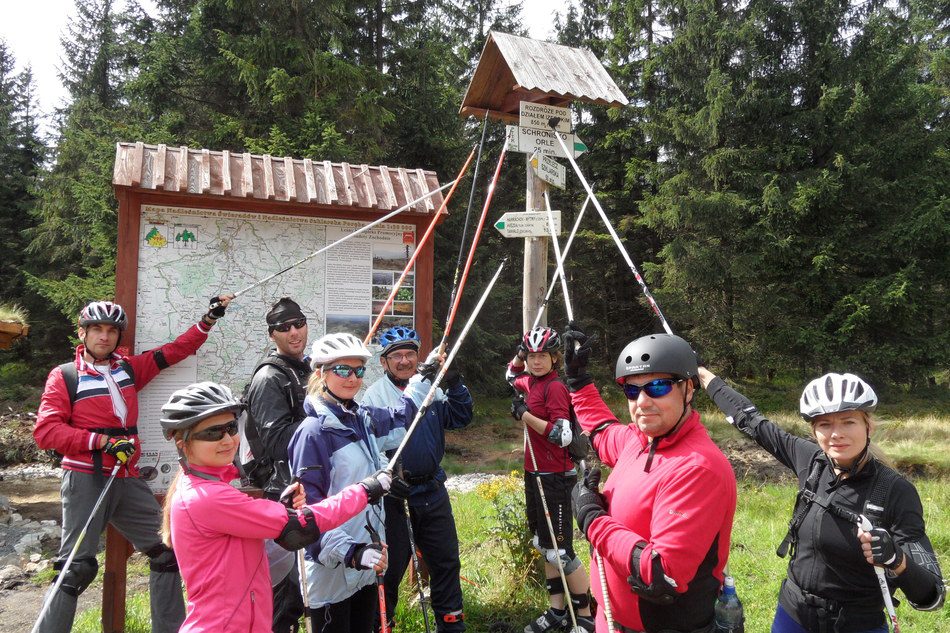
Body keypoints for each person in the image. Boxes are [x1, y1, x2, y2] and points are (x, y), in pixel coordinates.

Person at [31, 296, 232, 633]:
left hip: (126, 477)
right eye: (96, 329)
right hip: (86, 478)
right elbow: (46, 432)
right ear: (82, 332)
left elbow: (174, 351)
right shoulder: (65, 376)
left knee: (166, 551)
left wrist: (208, 320)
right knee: (75, 569)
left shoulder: (126, 369)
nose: (104, 336)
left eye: (111, 330)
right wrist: (101, 442)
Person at [700, 369, 945, 632]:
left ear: (868, 426)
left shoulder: (895, 490)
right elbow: (752, 421)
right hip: (793, 615)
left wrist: (896, 559)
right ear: (814, 431)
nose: (836, 433)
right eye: (825, 424)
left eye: (848, 422)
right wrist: (702, 375)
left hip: (857, 624)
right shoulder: (811, 461)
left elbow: (932, 595)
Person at [159, 381, 393, 632]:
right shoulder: (207, 497)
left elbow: (255, 555)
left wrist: (281, 510)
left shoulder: (204, 487)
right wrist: (364, 491)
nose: (227, 439)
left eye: (231, 427)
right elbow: (301, 525)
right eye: (212, 433)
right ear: (182, 443)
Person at [563, 326, 737, 633]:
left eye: (657, 387)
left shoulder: (698, 468)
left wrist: (592, 519)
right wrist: (578, 380)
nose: (642, 401)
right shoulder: (638, 440)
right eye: (632, 391)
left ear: (688, 389)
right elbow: (601, 429)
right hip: (612, 619)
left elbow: (662, 573)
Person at [288, 332, 431, 633]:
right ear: (321, 373)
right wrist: (352, 553)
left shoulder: (360, 418)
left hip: (367, 566)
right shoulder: (313, 433)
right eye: (343, 370)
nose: (353, 378)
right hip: (333, 574)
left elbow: (404, 415)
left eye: (359, 370)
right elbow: (307, 517)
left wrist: (423, 377)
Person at [362, 326, 474, 632]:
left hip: (433, 490)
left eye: (410, 354)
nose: (404, 361)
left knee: (446, 561)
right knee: (390, 568)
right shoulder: (374, 395)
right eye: (396, 356)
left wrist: (453, 381)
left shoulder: (431, 387)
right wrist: (384, 474)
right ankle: (382, 624)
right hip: (396, 497)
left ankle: (450, 625)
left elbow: (461, 417)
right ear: (383, 362)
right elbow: (370, 447)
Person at [507, 326, 595, 633]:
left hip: (556, 476)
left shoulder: (555, 387)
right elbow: (510, 375)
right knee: (544, 546)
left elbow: (562, 435)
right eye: (531, 356)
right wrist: (520, 354)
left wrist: (524, 415)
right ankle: (558, 611)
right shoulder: (528, 380)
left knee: (561, 551)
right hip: (534, 472)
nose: (536, 361)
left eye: (542, 356)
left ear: (554, 358)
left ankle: (586, 616)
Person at [244, 297, 313, 632]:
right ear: (272, 334)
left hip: (306, 490)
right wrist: (321, 421)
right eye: (284, 328)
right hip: (281, 495)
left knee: (307, 591)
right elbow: (275, 443)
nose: (294, 332)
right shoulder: (269, 378)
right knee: (285, 598)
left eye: (298, 323)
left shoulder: (307, 369)